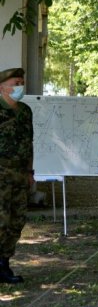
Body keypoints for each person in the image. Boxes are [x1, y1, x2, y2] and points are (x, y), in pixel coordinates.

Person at [0, 68, 33, 284]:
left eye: (21, 82)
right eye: (15, 82)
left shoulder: (25, 111)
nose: (19, 86)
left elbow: (29, 144)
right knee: (1, 220)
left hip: (20, 174)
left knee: (17, 220)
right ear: (2, 87)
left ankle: (4, 264)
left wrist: (31, 172)